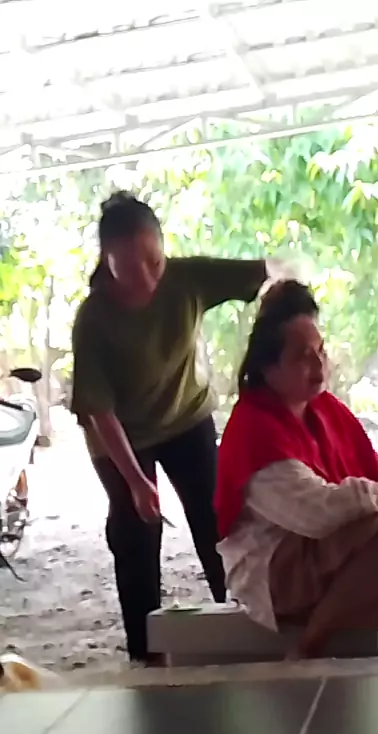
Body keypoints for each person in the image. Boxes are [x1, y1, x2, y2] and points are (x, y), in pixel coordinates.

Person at [215, 280, 378, 658]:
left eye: (320, 351)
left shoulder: (326, 410)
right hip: (275, 572)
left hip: (333, 547)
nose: (318, 365)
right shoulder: (253, 429)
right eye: (302, 356)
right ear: (268, 368)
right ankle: (310, 649)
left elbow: (368, 492)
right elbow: (318, 514)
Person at [71, 191, 276, 663]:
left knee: (217, 516)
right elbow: (100, 412)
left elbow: (267, 271)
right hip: (120, 436)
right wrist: (136, 482)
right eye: (128, 267)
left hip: (185, 416)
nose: (145, 278)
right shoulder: (94, 318)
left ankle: (242, 617)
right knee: (136, 531)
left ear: (165, 249)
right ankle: (146, 651)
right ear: (106, 260)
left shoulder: (187, 278)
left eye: (154, 262)